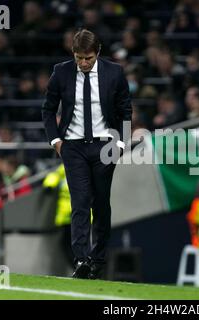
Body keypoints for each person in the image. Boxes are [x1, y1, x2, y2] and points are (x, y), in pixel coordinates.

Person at [42, 29, 132, 279]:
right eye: (79, 57)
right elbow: (48, 109)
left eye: (88, 58)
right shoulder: (61, 72)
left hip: (105, 146)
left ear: (98, 53)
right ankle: (81, 259)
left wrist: (122, 145)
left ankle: (97, 259)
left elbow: (126, 110)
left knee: (101, 204)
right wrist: (56, 140)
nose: (83, 63)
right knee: (80, 202)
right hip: (73, 147)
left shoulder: (114, 73)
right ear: (73, 53)